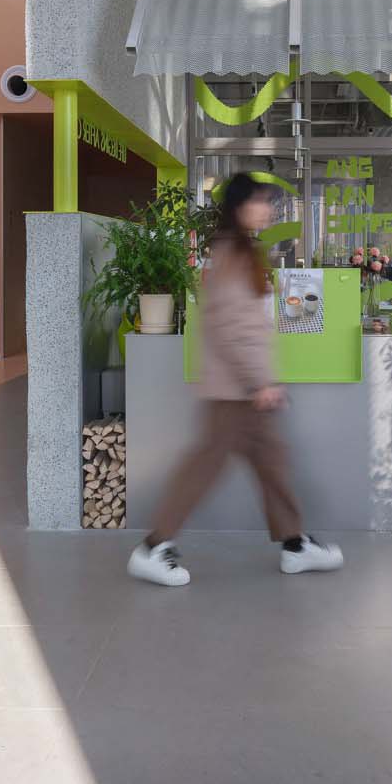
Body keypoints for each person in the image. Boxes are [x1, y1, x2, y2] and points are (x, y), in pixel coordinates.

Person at [128, 173, 342, 586]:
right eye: (261, 201)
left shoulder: (240, 250)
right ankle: (152, 547)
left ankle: (295, 545)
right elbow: (232, 326)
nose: (268, 210)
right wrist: (259, 382)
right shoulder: (232, 254)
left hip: (243, 389)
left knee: (272, 463)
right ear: (241, 207)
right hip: (236, 391)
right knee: (206, 466)